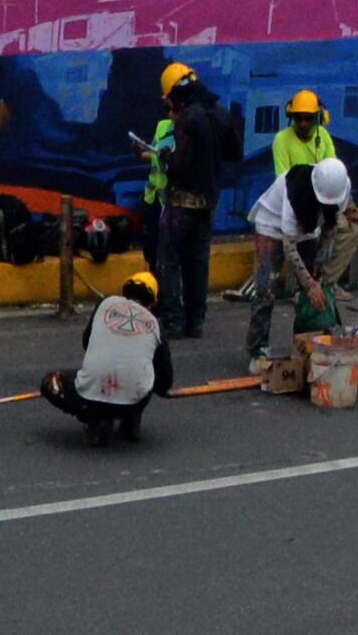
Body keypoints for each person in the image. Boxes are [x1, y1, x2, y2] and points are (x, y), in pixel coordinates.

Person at [142, 62, 233, 342]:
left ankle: (173, 321)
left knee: (168, 260)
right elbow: (234, 152)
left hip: (181, 202)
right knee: (198, 262)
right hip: (208, 202)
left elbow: (179, 165)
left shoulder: (187, 119)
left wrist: (163, 156)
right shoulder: (218, 114)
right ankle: (196, 322)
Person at [245, 153, 351, 370]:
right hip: (272, 228)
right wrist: (310, 284)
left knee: (312, 290)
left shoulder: (341, 187)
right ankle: (258, 350)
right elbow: (289, 245)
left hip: (309, 231)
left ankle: (307, 343)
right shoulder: (293, 189)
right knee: (266, 289)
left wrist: (317, 274)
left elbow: (330, 229)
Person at [41, 271, 173, 445]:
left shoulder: (105, 304)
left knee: (50, 382)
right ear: (153, 302)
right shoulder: (155, 325)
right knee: (147, 373)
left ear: (124, 291)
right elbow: (165, 381)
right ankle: (130, 420)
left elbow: (87, 342)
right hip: (135, 400)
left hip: (91, 396)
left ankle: (96, 420)